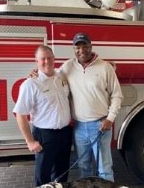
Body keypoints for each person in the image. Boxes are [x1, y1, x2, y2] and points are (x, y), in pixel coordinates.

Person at [59, 33, 122, 181]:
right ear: (73, 49)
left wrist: (110, 119)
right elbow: (51, 78)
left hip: (100, 126)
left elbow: (117, 95)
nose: (81, 50)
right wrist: (36, 74)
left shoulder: (105, 67)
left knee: (104, 169)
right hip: (79, 127)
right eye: (78, 47)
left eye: (85, 46)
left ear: (91, 47)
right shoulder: (68, 66)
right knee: (83, 167)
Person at [13, 44, 72, 186]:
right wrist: (30, 141)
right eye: (43, 59)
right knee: (43, 177)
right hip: (45, 136)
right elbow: (20, 114)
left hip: (65, 133)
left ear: (54, 59)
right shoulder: (30, 84)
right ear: (36, 61)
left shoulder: (61, 76)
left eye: (50, 58)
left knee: (62, 174)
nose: (47, 61)